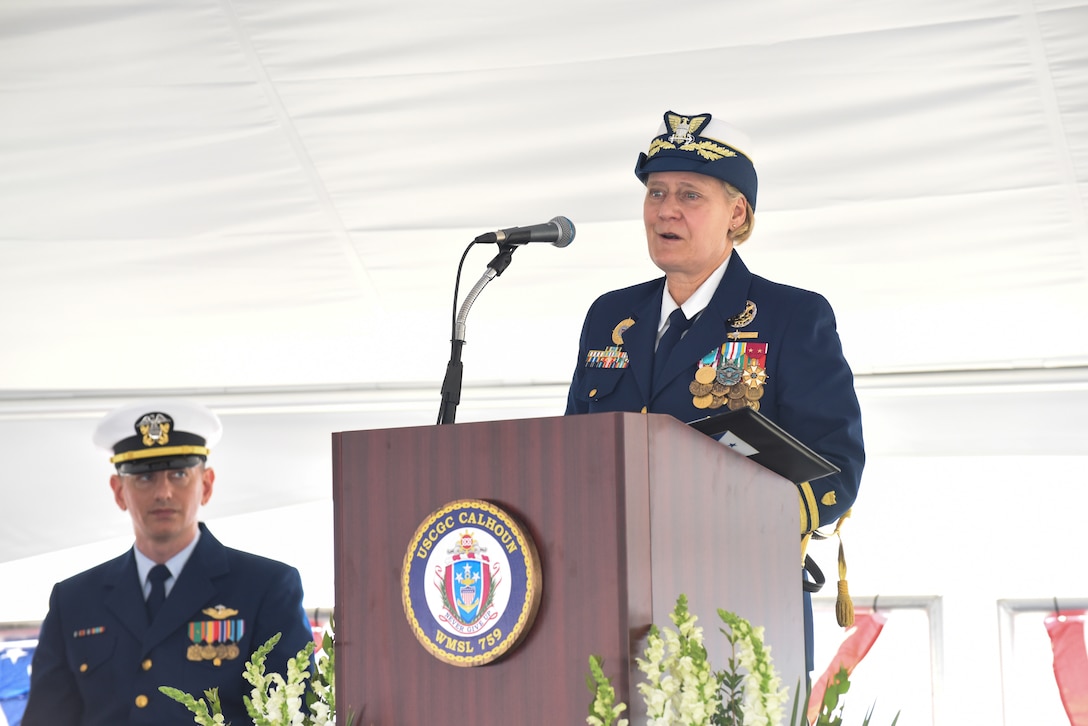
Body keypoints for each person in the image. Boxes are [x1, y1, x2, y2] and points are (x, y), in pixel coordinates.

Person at [565, 110, 865, 670]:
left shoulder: (791, 316)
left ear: (737, 212)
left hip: (741, 602)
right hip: (612, 601)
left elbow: (836, 469)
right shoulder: (609, 316)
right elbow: (572, 455)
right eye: (655, 193)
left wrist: (742, 519)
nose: (665, 210)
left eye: (689, 195)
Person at [23, 399, 314, 726]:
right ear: (119, 491)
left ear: (206, 485)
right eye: (144, 478)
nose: (163, 492)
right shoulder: (74, 600)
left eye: (179, 474)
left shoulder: (265, 587)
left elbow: (293, 714)